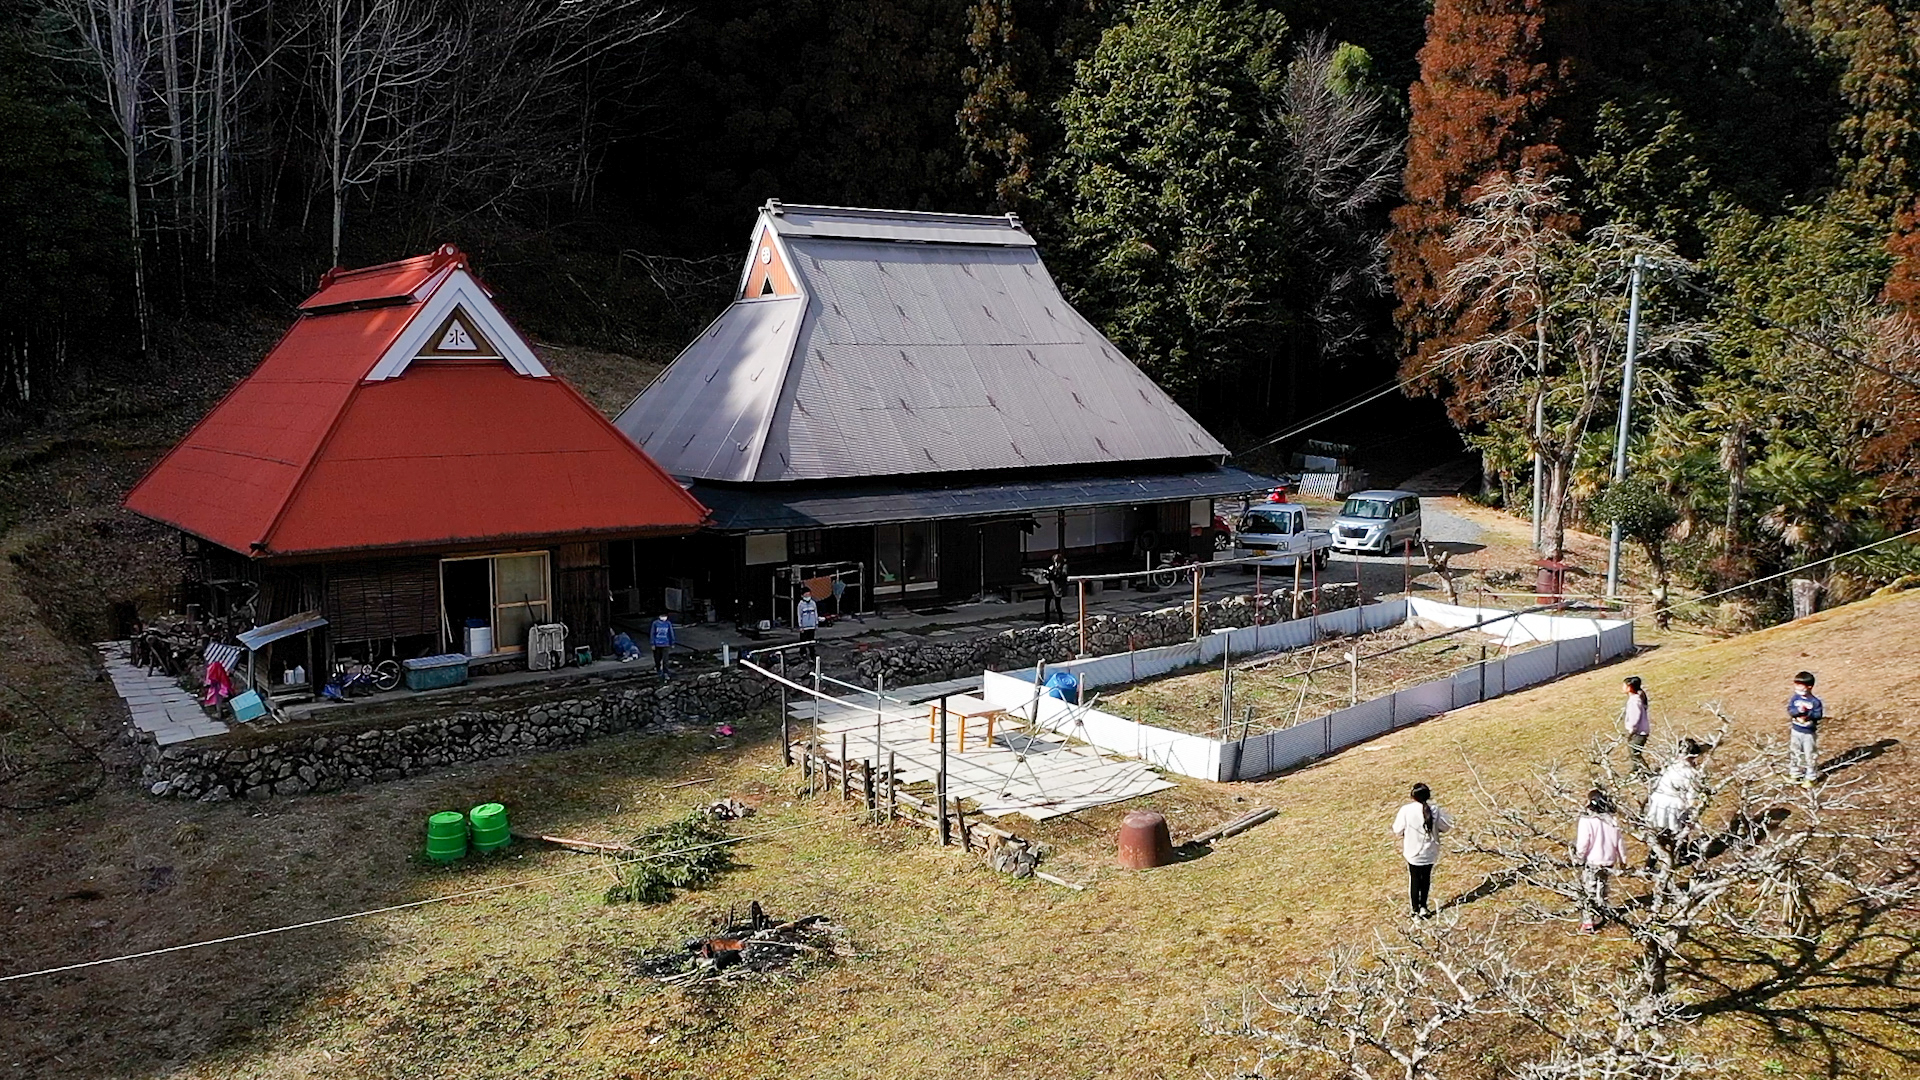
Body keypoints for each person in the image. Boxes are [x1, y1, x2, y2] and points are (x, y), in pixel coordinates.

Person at [1392, 782, 1453, 918]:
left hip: (1412, 852)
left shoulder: (1406, 810)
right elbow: (1446, 826)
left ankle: (1415, 910)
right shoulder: (1435, 809)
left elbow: (1397, 829)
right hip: (1430, 851)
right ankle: (1424, 907)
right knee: (1425, 879)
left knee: (1414, 880)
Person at [1574, 789, 1626, 933]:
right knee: (1602, 887)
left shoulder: (1586, 821)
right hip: (1609, 860)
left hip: (1592, 861)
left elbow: (1584, 842)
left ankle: (1588, 922)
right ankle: (1603, 912)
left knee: (1589, 890)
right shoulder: (1612, 820)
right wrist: (1623, 859)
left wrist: (1579, 857)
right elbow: (1619, 841)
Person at [1787, 670, 1823, 786]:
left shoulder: (1815, 702)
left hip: (1808, 733)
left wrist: (1807, 716)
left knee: (1809, 754)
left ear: (1809, 686)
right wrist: (1797, 712)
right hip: (1795, 730)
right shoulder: (1795, 698)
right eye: (1796, 685)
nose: (1797, 688)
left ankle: (1811, 776)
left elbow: (1818, 715)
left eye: (1800, 685)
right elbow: (1790, 710)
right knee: (1794, 752)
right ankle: (1795, 773)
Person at [1621, 676, 1652, 774]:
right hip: (1640, 731)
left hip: (1639, 732)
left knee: (1635, 754)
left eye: (1624, 685)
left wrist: (1631, 730)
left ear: (1630, 687)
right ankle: (1636, 771)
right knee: (1633, 752)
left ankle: (1647, 773)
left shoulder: (1635, 701)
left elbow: (1635, 718)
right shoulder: (1636, 699)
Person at [649, 612, 676, 678]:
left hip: (666, 644)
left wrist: (672, 642)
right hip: (657, 644)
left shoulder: (668, 623)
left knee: (665, 659)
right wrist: (652, 644)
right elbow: (652, 633)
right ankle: (658, 670)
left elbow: (671, 633)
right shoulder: (655, 623)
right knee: (657, 658)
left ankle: (665, 672)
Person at [795, 589, 820, 660]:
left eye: (809, 595)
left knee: (811, 641)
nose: (808, 596)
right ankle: (803, 653)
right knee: (803, 641)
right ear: (802, 596)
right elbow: (799, 615)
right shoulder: (800, 605)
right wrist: (800, 626)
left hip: (812, 626)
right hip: (804, 626)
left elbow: (815, 614)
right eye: (806, 595)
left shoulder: (813, 603)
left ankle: (812, 654)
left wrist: (816, 623)